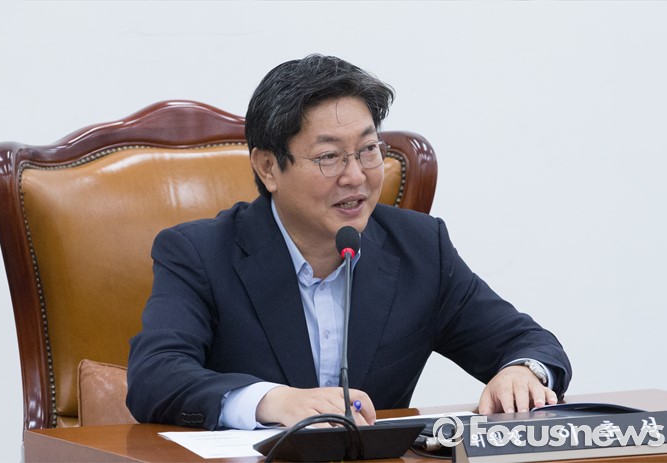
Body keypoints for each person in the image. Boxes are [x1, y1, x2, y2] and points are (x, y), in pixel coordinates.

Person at [126, 54, 572, 431]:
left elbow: (529, 342)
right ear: (268, 168)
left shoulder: (420, 248)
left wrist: (522, 372)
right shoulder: (200, 253)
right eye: (329, 157)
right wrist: (273, 401)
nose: (356, 176)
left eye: (368, 150)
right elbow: (155, 377)